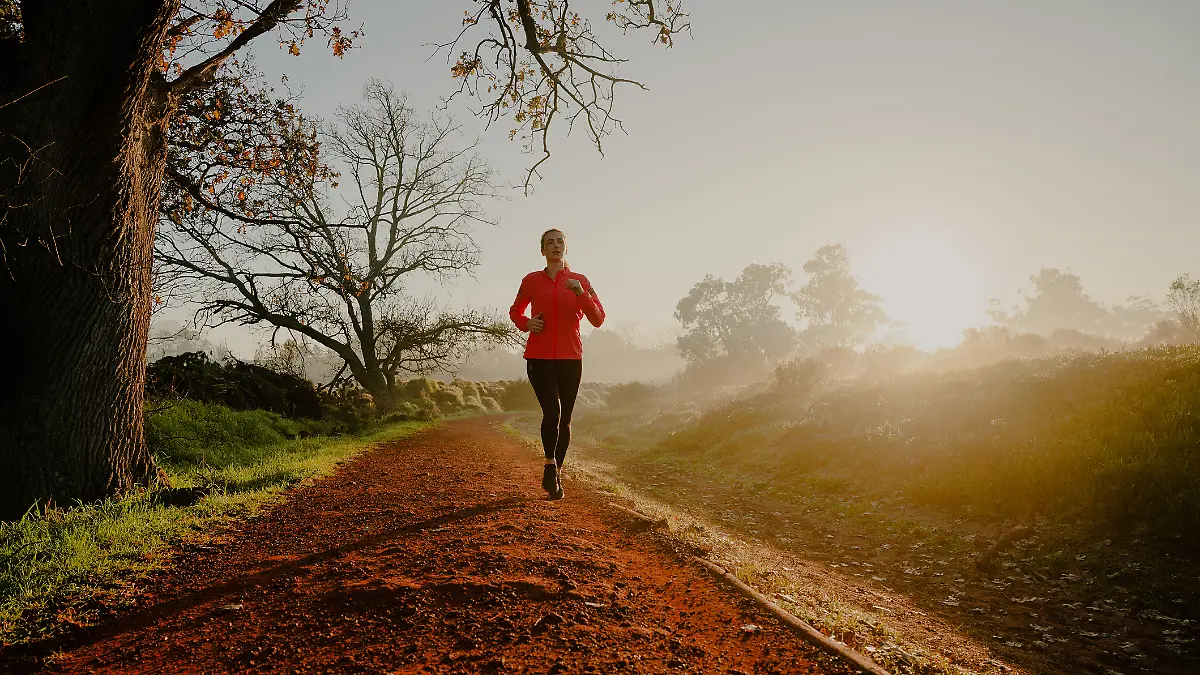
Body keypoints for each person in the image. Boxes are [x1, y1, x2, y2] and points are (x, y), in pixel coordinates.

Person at [509, 228, 605, 499]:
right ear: (542, 250)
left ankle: (556, 473)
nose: (555, 245)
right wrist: (527, 323)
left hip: (570, 358)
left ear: (566, 248)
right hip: (538, 358)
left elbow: (598, 319)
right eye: (549, 242)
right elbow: (515, 311)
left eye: (560, 241)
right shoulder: (530, 281)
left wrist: (581, 293)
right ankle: (549, 464)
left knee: (565, 420)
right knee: (552, 412)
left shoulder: (580, 281)